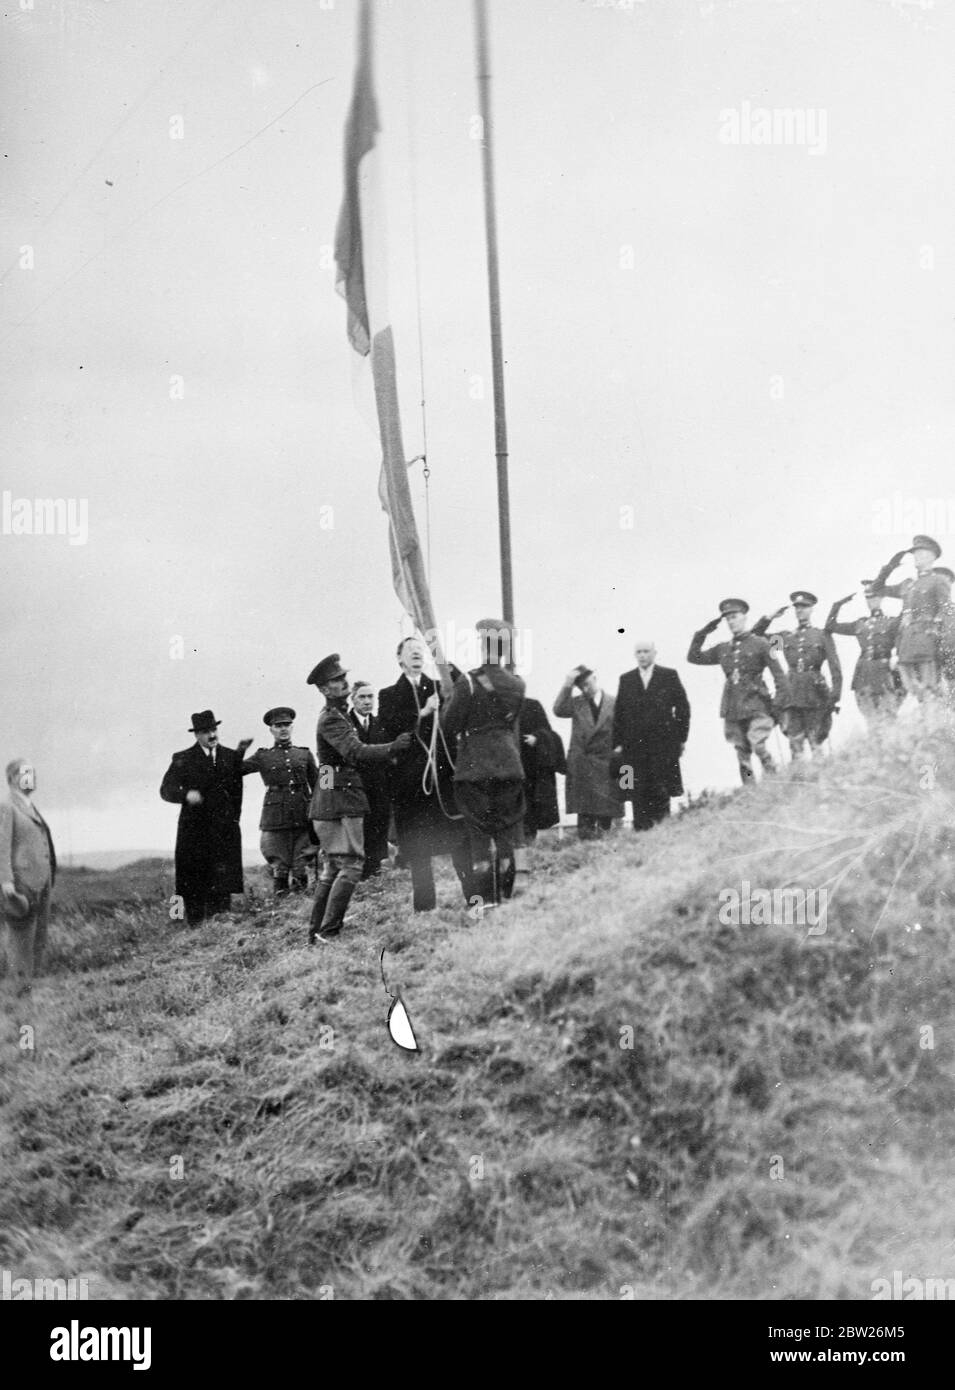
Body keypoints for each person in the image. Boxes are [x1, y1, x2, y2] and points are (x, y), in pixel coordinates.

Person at [306, 654, 411, 943]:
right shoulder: (332, 720)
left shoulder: (336, 716)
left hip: (336, 797)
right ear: (324, 689)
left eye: (343, 679)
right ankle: (328, 931)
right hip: (341, 798)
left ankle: (317, 932)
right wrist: (393, 747)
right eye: (337, 681)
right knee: (351, 866)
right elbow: (356, 751)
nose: (344, 683)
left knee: (333, 868)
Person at [377, 637, 471, 912]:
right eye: (411, 651)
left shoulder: (440, 686)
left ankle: (476, 904)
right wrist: (422, 712)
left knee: (461, 845)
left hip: (443, 782)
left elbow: (462, 686)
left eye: (420, 651)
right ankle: (425, 912)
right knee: (418, 852)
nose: (417, 654)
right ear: (399, 660)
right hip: (412, 787)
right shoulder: (388, 695)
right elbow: (389, 729)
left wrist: (439, 654)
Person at [441, 619, 526, 907]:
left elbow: (449, 724)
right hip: (509, 765)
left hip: (475, 768)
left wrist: (446, 700)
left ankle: (484, 904)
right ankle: (506, 899)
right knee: (505, 834)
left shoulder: (468, 681)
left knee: (479, 838)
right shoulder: (517, 684)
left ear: (482, 645)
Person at [160, 711, 252, 926]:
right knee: (191, 884)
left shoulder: (230, 757)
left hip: (223, 831)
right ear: (196, 735)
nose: (211, 735)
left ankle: (219, 930)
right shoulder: (182, 758)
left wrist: (233, 821)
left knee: (222, 884)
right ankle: (190, 928)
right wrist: (185, 795)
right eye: (205, 732)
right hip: (194, 833)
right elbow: (165, 790)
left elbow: (237, 793)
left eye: (213, 730)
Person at [687, 599, 788, 783]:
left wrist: (778, 705)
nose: (731, 622)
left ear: (744, 617)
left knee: (757, 742)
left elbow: (779, 675)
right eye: (728, 619)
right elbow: (693, 657)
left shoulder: (762, 643)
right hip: (733, 705)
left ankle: (773, 775)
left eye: (734, 617)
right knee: (741, 751)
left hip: (758, 703)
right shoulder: (722, 648)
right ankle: (749, 788)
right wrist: (704, 632)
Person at [752, 591, 842, 759]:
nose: (800, 611)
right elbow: (755, 638)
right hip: (792, 695)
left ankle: (820, 779)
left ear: (811, 609)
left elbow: (835, 668)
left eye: (804, 607)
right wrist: (769, 618)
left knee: (816, 742)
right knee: (795, 743)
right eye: (797, 608)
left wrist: (833, 698)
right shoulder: (785, 638)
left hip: (815, 695)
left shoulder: (822, 636)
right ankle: (799, 780)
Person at [611, 639, 690, 831]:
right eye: (638, 652)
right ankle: (640, 833)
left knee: (662, 789)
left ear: (655, 653)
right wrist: (618, 743)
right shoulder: (626, 679)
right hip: (634, 747)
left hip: (663, 745)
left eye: (646, 651)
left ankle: (663, 832)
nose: (642, 656)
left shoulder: (669, 675)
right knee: (636, 791)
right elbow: (619, 713)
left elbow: (682, 708)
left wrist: (680, 738)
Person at [241, 708, 318, 898]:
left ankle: (301, 906)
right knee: (279, 864)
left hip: (303, 812)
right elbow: (236, 770)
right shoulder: (262, 756)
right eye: (278, 726)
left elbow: (319, 783)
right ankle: (281, 905)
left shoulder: (304, 754)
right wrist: (240, 751)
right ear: (271, 730)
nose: (283, 729)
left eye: (287, 725)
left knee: (302, 861)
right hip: (275, 817)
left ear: (292, 727)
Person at [0, 759, 56, 997]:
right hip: (21, 883)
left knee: (38, 938)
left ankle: (30, 992)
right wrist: (6, 880)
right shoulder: (7, 806)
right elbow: (2, 846)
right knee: (21, 938)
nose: (31, 777)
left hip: (41, 882)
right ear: (13, 778)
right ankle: (18, 995)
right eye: (26, 773)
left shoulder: (30, 806)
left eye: (32, 772)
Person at [870, 535, 950, 699]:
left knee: (930, 689)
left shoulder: (938, 581)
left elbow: (945, 608)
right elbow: (876, 589)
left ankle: (935, 719)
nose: (916, 557)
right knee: (914, 689)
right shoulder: (908, 584)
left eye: (920, 553)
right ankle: (929, 717)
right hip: (906, 645)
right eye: (914, 554)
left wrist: (935, 630)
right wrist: (890, 567)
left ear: (931, 557)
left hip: (927, 643)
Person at [553, 666, 624, 838]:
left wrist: (620, 749)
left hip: (607, 764)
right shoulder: (576, 703)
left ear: (595, 677)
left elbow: (626, 729)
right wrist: (568, 684)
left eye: (587, 683)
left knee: (607, 812)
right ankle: (585, 849)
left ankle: (606, 850)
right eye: (581, 687)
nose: (585, 689)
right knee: (585, 814)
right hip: (582, 765)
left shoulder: (615, 702)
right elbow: (558, 710)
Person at [825, 583, 902, 726]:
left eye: (874, 597)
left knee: (889, 717)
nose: (871, 602)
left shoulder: (892, 622)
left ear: (881, 598)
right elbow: (830, 626)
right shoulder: (860, 624)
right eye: (868, 598)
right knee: (870, 719)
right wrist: (838, 605)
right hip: (864, 675)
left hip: (885, 674)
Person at [348, 681, 392, 879]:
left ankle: (374, 871)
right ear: (352, 699)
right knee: (357, 831)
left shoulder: (380, 724)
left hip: (379, 788)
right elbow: (327, 762)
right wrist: (327, 789)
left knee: (378, 826)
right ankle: (357, 873)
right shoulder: (344, 725)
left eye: (370, 697)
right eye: (362, 697)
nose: (367, 702)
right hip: (352, 789)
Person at [517, 693, 565, 843]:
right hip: (505, 768)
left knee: (528, 815)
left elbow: (548, 733)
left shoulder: (532, 705)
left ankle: (526, 852)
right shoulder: (495, 706)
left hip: (530, 768)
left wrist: (537, 738)